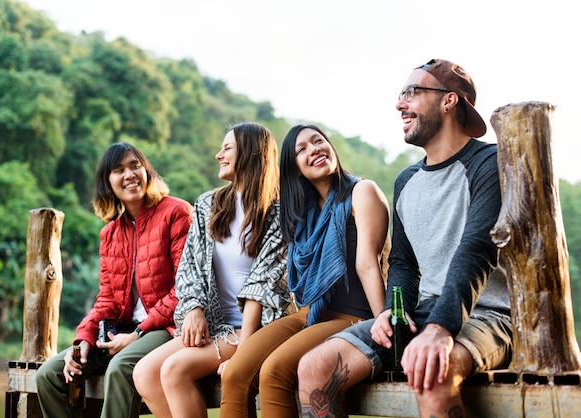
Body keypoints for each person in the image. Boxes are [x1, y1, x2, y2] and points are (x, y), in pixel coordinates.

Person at [297, 58, 513, 418]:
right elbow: (404, 264)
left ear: (449, 100)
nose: (400, 104)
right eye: (401, 94)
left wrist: (441, 329)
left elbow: (477, 248)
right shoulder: (406, 181)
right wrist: (388, 313)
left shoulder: (490, 163)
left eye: (412, 92)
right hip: (423, 313)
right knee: (315, 368)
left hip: (487, 314)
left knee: (431, 375)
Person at [218, 124, 390, 418]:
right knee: (236, 373)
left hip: (354, 315)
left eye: (318, 141)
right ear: (294, 167)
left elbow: (367, 264)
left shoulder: (362, 191)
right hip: (311, 313)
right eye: (302, 149)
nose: (315, 150)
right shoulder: (301, 212)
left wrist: (382, 329)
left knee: (274, 372)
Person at [132, 122, 291, 418]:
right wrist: (193, 308)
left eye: (227, 148)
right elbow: (188, 267)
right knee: (144, 373)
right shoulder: (209, 203)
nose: (219, 154)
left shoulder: (280, 212)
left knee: (174, 370)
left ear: (250, 153)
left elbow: (262, 287)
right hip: (215, 325)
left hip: (254, 328)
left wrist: (244, 355)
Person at [35, 142, 193, 418]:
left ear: (148, 173)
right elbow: (107, 297)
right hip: (121, 329)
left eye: (135, 166)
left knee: (121, 367)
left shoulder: (176, 213)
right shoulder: (110, 234)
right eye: (119, 170)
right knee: (49, 375)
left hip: (167, 327)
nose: (129, 174)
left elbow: (185, 288)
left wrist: (138, 333)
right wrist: (83, 337)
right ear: (107, 183)